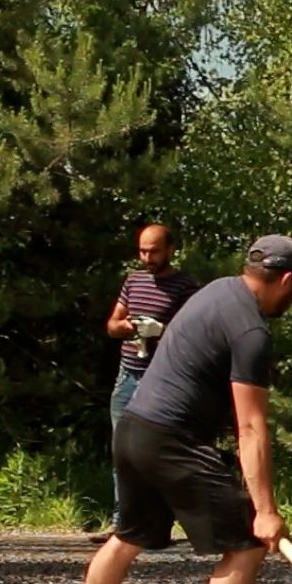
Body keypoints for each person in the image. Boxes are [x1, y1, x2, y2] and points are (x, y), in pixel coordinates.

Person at [61, 235, 292, 584]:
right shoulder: (252, 331)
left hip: (133, 429)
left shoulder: (215, 290)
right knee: (247, 542)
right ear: (288, 280)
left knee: (127, 535)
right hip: (171, 440)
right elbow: (251, 428)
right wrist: (266, 510)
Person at [91, 223, 198, 543]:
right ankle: (123, 523)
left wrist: (162, 331)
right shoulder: (134, 281)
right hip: (128, 373)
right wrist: (126, 327)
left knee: (160, 453)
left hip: (162, 379)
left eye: (154, 251)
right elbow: (112, 324)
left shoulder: (184, 287)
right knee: (122, 450)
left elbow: (193, 333)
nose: (147, 257)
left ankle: (161, 522)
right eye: (143, 251)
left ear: (170, 250)